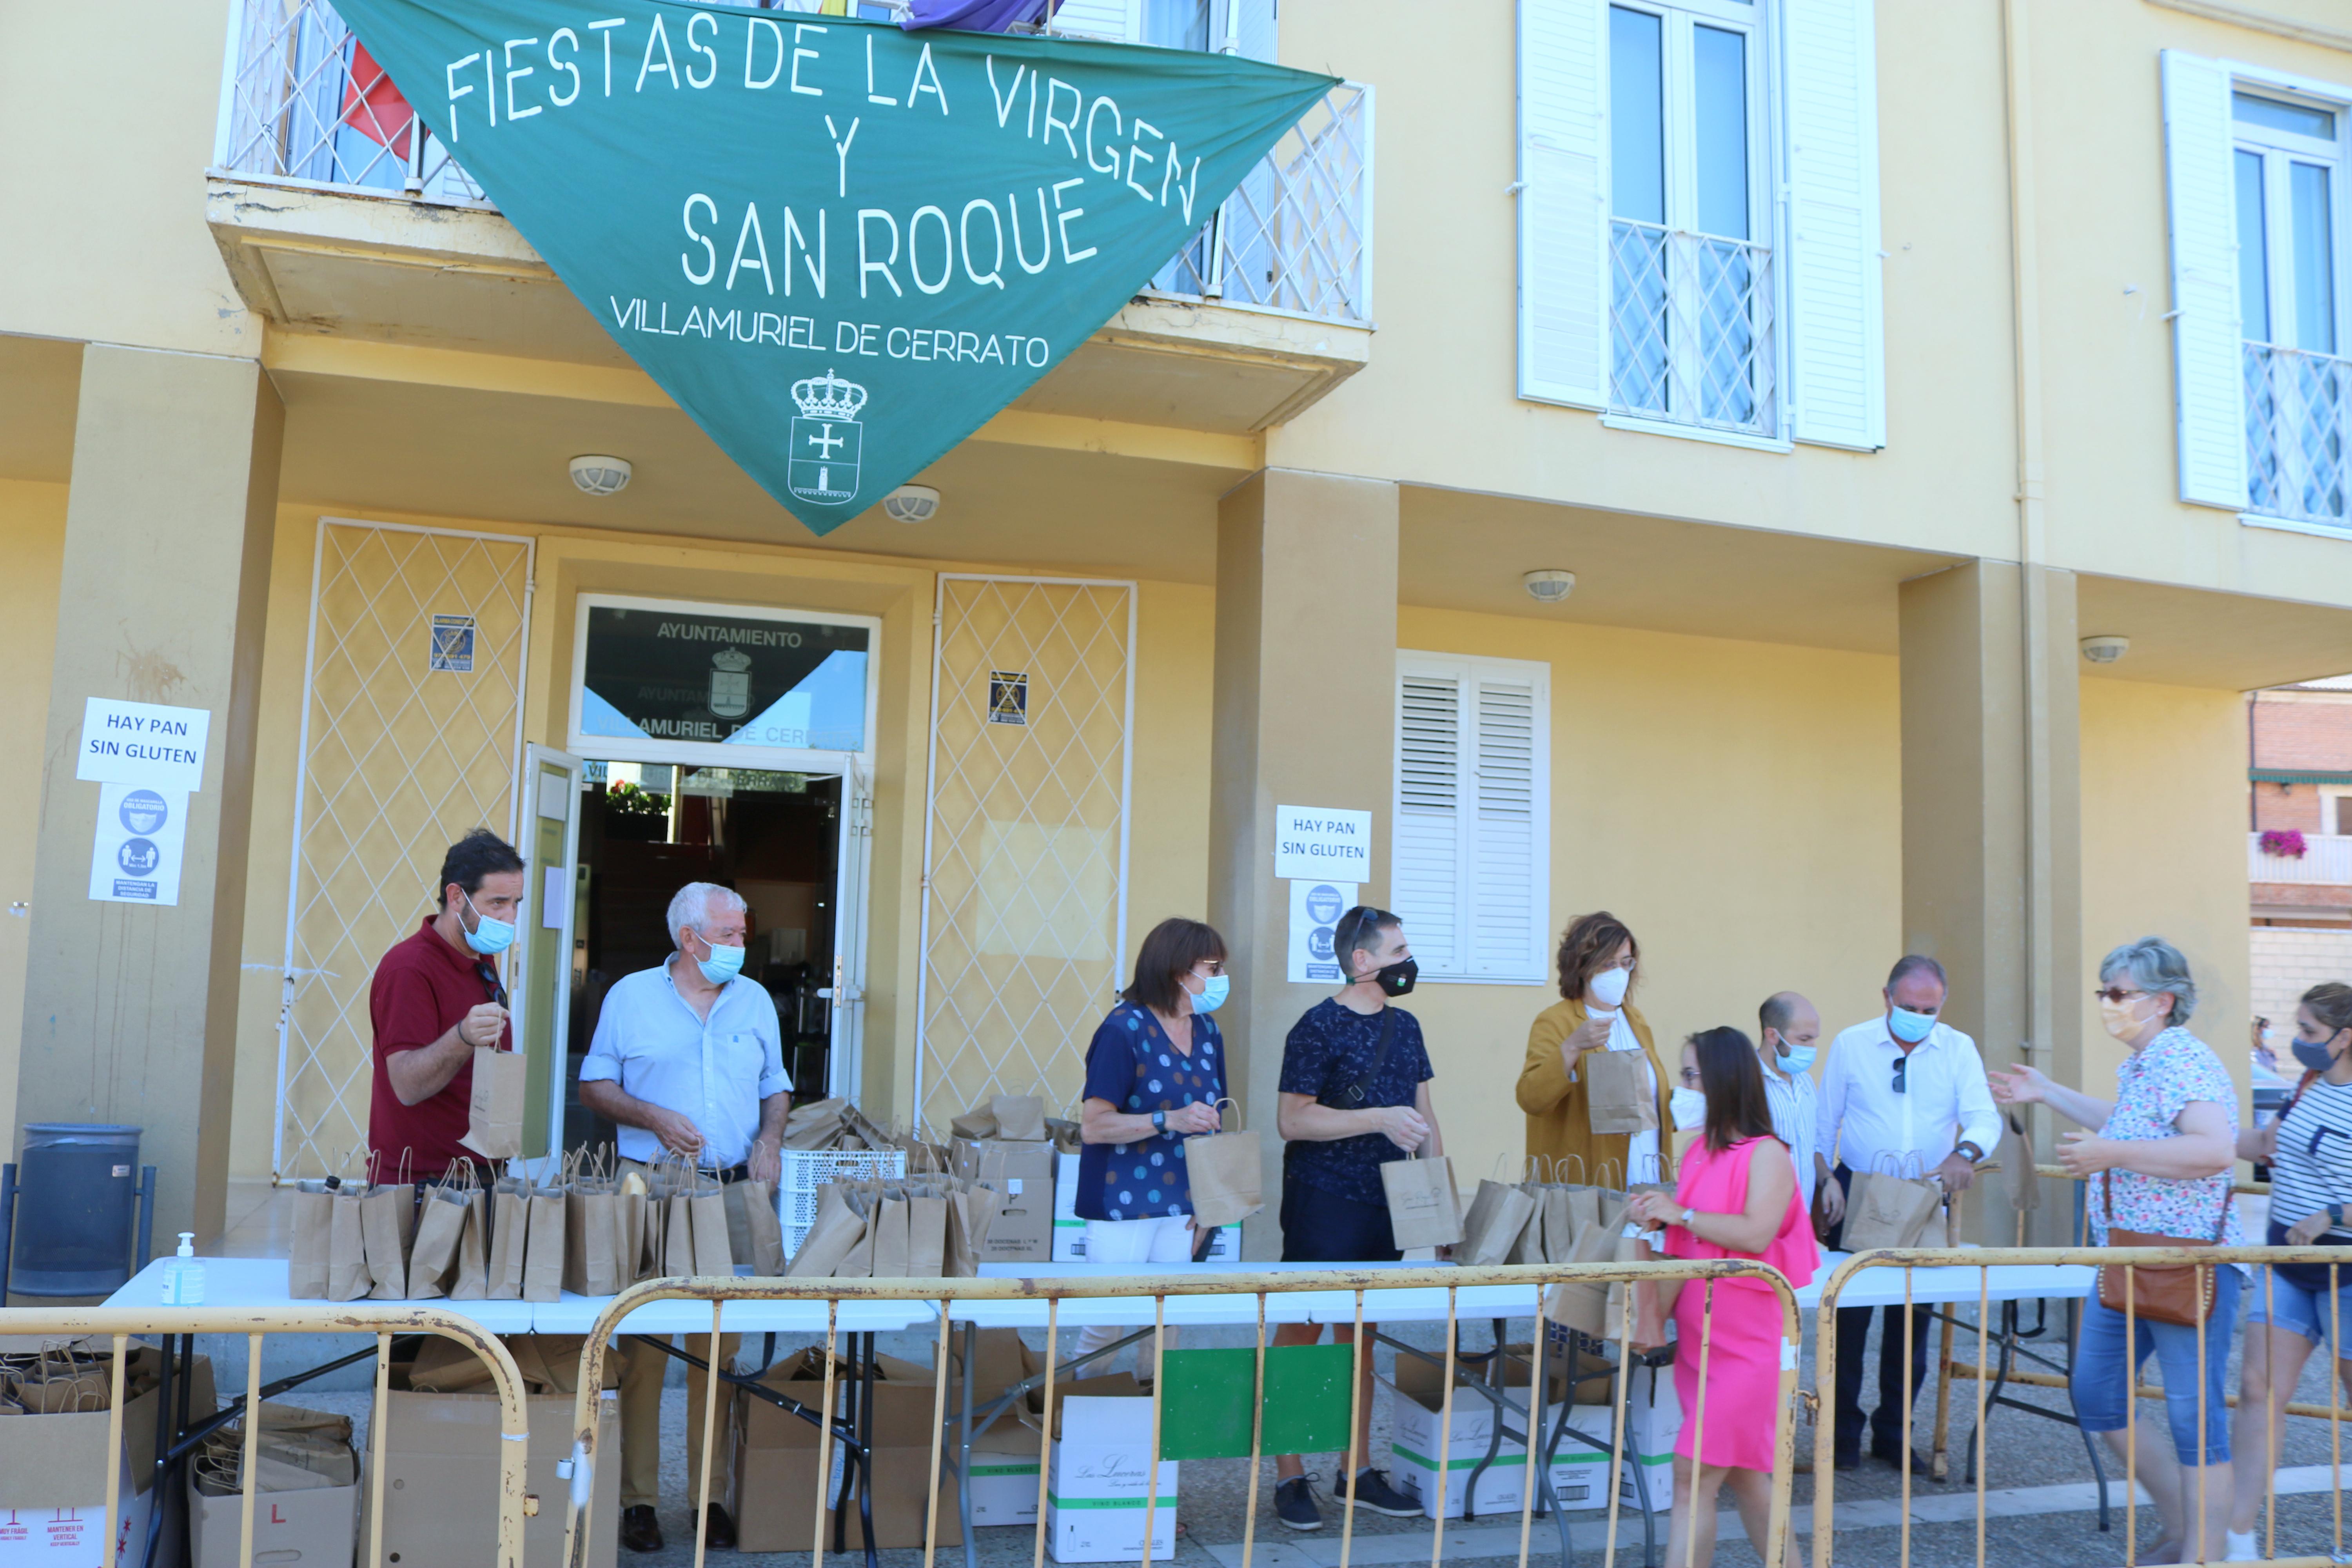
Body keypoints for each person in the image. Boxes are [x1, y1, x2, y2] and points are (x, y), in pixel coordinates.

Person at [1991, 936, 2241, 1566]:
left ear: (2163, 1001)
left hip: (2185, 1262)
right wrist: (2048, 1092)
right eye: (2104, 992)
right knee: (2099, 1397)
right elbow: (2130, 1123)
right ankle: (2185, 1526)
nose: (2108, 1004)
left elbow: (2214, 1149)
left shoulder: (2184, 1059)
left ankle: (2205, 1554)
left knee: (2195, 1421)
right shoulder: (2147, 1064)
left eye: (2119, 994)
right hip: (2129, 1259)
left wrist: (2114, 1154)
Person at [579, 882, 792, 1555]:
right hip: (652, 1188)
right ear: (688, 939)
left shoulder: (755, 1000)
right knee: (644, 1348)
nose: (740, 945)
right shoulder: (631, 998)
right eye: (728, 935)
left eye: (742, 933)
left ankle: (709, 1500)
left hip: (730, 1192)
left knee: (716, 1351)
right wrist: (654, 1117)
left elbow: (776, 1085)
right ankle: (638, 1502)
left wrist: (771, 1141)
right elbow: (594, 1085)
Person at [1268, 906, 1440, 1530]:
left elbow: (1425, 1116)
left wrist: (1439, 1207)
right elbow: (1293, 1120)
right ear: (1362, 960)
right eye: (1397, 950)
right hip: (1324, 1200)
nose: (1408, 962)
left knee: (1361, 1341)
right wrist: (1376, 1118)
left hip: (1388, 1204)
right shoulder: (1316, 1027)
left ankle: (1357, 1471)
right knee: (1301, 1337)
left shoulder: (1409, 1027)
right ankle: (1288, 1475)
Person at [1629, 1028, 1816, 1568]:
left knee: (1691, 1477)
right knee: (1744, 1476)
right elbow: (1684, 1252)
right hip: (1702, 1344)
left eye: (1691, 1076)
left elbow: (1755, 1234)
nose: (1681, 1087)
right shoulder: (1698, 1156)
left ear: (1722, 1081)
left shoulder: (1767, 1155)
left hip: (1749, 1345)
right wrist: (1651, 1319)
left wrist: (1678, 1213)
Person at [1818, 954, 2000, 1472]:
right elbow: (1823, 1119)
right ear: (1887, 998)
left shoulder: (1958, 1048)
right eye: (1910, 1006)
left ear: (1942, 1005)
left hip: (1923, 1195)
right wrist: (1823, 1179)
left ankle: (1896, 1435)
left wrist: (1965, 1154)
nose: (1919, 1015)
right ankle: (1841, 1436)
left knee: (1912, 1326)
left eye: (1930, 1008)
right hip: (1858, 1191)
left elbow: (1984, 1116)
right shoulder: (1853, 1044)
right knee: (1846, 1321)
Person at [1069, 918, 1230, 1370]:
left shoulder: (1209, 1031)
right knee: (1108, 1319)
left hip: (1182, 1201)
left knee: (1165, 1324)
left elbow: (1214, 1121)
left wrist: (1209, 1202)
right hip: (1122, 1200)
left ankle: (1150, 1421)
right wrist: (1167, 1120)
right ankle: (1078, 1412)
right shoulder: (1124, 1029)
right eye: (1213, 968)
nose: (1220, 979)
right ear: (1180, 971)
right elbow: (1095, 1126)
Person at [2227, 982, 2352, 1560]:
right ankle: (2237, 1540)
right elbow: (2264, 1147)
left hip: (2346, 1267)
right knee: (2257, 1391)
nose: (2297, 1042)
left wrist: (2330, 1214)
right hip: (2287, 1261)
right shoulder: (2305, 1085)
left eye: (2307, 1032)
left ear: (2344, 1038)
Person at [368, 829, 525, 1181]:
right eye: (498, 903)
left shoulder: (480, 955)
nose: (511, 918)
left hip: (480, 1172)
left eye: (516, 903)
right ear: (456, 897)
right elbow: (407, 1086)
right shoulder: (409, 968)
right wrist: (463, 1036)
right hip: (423, 1183)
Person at [1517, 912, 1672, 1184]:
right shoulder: (1556, 1021)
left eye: (1626, 963)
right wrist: (1572, 1047)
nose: (1619, 974)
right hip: (1588, 1183)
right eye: (1608, 964)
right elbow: (1531, 1098)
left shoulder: (1636, 1020)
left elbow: (1645, 1099)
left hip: (1645, 1176)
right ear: (1582, 966)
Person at [1757, 991, 1835, 1220]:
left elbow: (1811, 1145)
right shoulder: (1747, 1084)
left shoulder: (1806, 1082)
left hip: (1801, 1224)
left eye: (1814, 1039)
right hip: (1763, 1226)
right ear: (1772, 1035)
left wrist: (1828, 1180)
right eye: (1804, 1040)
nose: (1812, 1047)